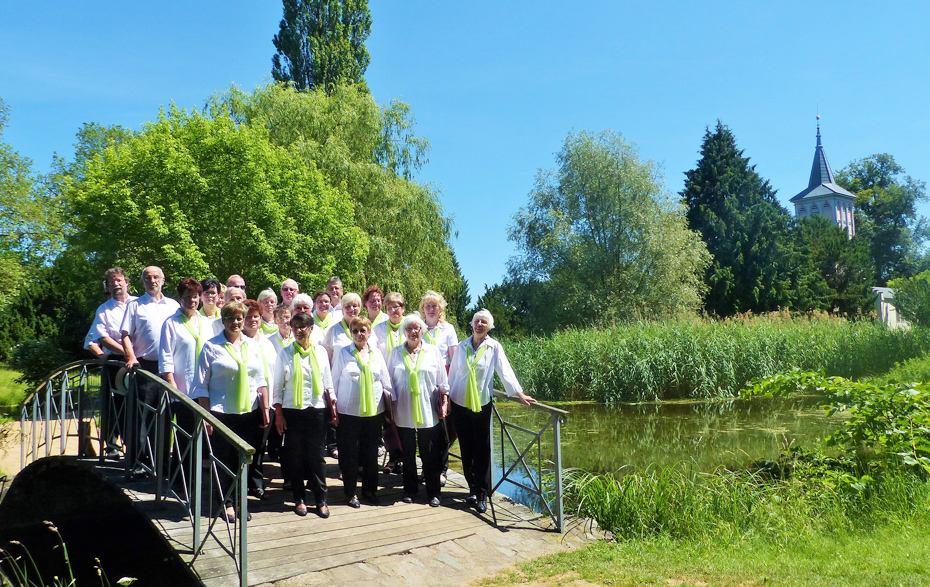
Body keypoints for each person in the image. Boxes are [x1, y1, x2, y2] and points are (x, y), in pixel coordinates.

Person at [448, 309, 536, 514]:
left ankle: (482, 494)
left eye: (484, 322)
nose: (480, 324)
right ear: (472, 323)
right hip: (460, 403)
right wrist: (448, 401)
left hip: (481, 403)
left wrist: (518, 392)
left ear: (489, 326)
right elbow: (453, 374)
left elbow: (504, 370)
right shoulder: (462, 346)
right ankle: (472, 488)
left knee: (482, 450)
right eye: (477, 321)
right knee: (466, 449)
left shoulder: (493, 347)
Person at [192, 301, 270, 522]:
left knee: (243, 460)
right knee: (224, 459)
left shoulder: (252, 345)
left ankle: (239, 501)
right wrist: (206, 416)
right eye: (231, 319)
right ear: (223, 321)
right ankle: (225, 503)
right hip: (221, 412)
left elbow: (260, 379)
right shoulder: (211, 346)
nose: (236, 323)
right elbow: (201, 385)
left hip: (249, 411)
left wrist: (264, 408)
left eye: (239, 318)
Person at [273, 312, 335, 517]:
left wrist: (332, 405)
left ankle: (321, 499)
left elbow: (327, 381)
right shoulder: (285, 353)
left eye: (303, 326)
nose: (299, 330)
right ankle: (299, 498)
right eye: (295, 327)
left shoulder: (320, 352)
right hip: (293, 410)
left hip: (317, 408)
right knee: (295, 455)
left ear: (311, 328)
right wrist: (279, 414)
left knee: (317, 455)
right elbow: (277, 387)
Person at [388, 313, 449, 507]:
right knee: (407, 453)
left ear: (422, 330)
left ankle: (433, 492)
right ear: (404, 332)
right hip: (404, 409)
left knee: (429, 452)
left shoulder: (432, 351)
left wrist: (445, 401)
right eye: (409, 328)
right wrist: (390, 406)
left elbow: (442, 381)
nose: (413, 332)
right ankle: (410, 490)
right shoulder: (396, 352)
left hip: (427, 408)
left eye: (417, 328)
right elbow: (389, 383)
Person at [331, 316, 392, 507]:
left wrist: (391, 408)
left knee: (370, 454)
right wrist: (332, 408)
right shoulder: (343, 353)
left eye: (363, 330)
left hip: (374, 412)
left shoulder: (376, 354)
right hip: (348, 412)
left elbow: (386, 382)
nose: (359, 334)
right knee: (349, 455)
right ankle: (350, 493)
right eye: (355, 330)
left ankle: (369, 490)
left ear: (369, 332)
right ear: (351, 333)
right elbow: (332, 382)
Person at [158, 278, 210, 493]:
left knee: (205, 436)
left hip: (205, 389)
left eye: (196, 296)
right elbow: (166, 358)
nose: (192, 300)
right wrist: (173, 387)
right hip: (183, 389)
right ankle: (182, 481)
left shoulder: (206, 322)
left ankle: (199, 480)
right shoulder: (171, 323)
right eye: (187, 296)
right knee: (185, 435)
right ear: (180, 299)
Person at [88, 267, 137, 456]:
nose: (116, 284)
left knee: (140, 405)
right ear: (108, 286)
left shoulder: (138, 303)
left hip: (140, 359)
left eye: (119, 280)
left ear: (126, 282)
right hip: (117, 361)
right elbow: (101, 337)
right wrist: (126, 353)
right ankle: (113, 446)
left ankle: (137, 447)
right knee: (115, 404)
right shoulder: (104, 309)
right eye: (112, 282)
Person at [419, 290, 460, 486]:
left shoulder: (448, 329)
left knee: (444, 429)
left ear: (440, 308)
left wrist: (450, 389)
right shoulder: (417, 327)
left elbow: (455, 358)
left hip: (444, 377)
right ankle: (427, 469)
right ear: (423, 309)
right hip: (423, 380)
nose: (431, 309)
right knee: (426, 427)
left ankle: (442, 470)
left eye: (434, 306)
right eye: (428, 306)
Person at [242, 299, 279, 499]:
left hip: (268, 402)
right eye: (248, 316)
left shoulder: (268, 342)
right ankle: (242, 483)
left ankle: (256, 483)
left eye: (256, 316)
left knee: (260, 445)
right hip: (247, 402)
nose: (253, 320)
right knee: (246, 444)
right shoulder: (238, 342)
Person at [322, 293, 363, 362]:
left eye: (355, 306)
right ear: (342, 309)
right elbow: (326, 359)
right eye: (347, 306)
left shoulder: (366, 329)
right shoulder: (333, 330)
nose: (351, 309)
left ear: (359, 308)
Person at [373, 292, 406, 360]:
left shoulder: (410, 326)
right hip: (385, 369)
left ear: (403, 308)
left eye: (395, 307)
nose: (392, 310)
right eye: (389, 308)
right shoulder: (379, 329)